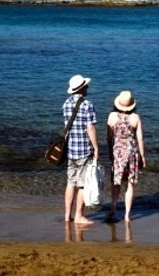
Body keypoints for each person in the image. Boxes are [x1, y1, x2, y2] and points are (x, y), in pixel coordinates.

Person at [61, 73, 99, 225]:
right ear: (81, 88)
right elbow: (90, 129)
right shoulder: (87, 105)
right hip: (83, 150)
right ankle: (78, 216)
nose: (88, 87)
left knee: (71, 182)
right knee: (83, 184)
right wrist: (96, 148)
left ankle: (67, 215)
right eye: (86, 85)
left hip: (70, 150)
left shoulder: (66, 104)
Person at [105, 89, 146, 222]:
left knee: (116, 182)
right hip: (131, 152)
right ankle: (127, 215)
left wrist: (110, 153)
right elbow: (140, 139)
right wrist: (142, 156)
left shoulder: (112, 116)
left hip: (117, 152)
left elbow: (109, 138)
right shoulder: (135, 118)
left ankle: (113, 208)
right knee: (129, 184)